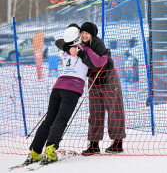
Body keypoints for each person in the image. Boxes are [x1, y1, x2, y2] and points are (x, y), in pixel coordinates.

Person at [25, 24, 109, 165]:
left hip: (57, 87)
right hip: (72, 89)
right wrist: (106, 55)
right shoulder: (85, 49)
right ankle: (51, 150)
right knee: (61, 120)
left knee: (49, 119)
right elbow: (98, 62)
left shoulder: (67, 50)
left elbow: (59, 42)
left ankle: (35, 151)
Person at [55, 22, 126, 155]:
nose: (84, 35)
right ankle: (94, 144)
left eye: (87, 33)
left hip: (107, 77)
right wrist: (67, 47)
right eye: (82, 33)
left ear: (92, 34)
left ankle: (117, 142)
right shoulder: (78, 44)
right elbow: (59, 42)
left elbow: (96, 65)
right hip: (93, 80)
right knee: (95, 112)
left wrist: (82, 55)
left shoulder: (98, 43)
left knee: (114, 109)